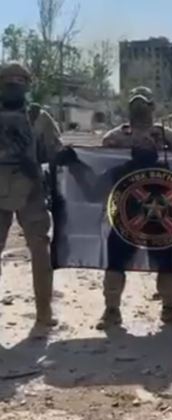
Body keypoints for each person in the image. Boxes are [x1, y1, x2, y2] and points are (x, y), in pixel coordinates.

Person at [97, 86, 172, 330]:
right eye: (135, 105)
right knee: (116, 259)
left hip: (161, 208)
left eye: (144, 104)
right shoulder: (117, 136)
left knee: (166, 259)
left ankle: (170, 308)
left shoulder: (166, 135)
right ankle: (111, 310)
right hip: (126, 208)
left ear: (152, 107)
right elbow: (101, 163)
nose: (139, 110)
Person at [0, 61, 62, 332]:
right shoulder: (38, 116)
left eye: (19, 80)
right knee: (39, 249)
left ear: (27, 85)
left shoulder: (39, 117)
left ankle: (44, 312)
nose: (14, 85)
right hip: (17, 188)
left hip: (31, 190)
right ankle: (44, 314)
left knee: (40, 250)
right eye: (9, 80)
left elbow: (55, 152)